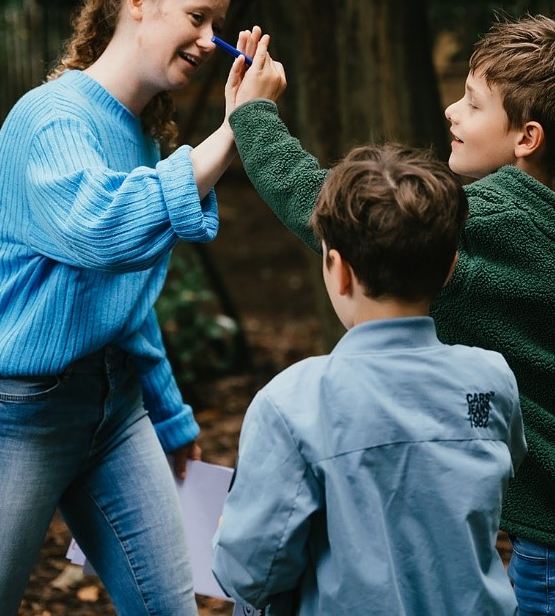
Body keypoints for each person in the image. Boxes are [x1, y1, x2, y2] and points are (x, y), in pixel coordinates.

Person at [224, 15, 555, 615]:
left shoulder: (486, 222)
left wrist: (254, 116)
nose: (451, 111)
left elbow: (334, 209)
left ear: (527, 138)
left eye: (472, 102)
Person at [0, 0, 286, 616]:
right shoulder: (50, 119)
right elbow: (99, 230)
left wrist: (169, 413)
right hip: (17, 415)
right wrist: (239, 125)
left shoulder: (140, 133)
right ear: (137, 1)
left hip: (117, 413)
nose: (210, 40)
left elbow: (123, 302)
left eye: (217, 25)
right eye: (197, 17)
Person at [211, 144, 526, 615]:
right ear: (449, 269)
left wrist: (227, 536)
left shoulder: (293, 402)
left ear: (339, 271)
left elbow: (250, 574)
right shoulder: (491, 379)